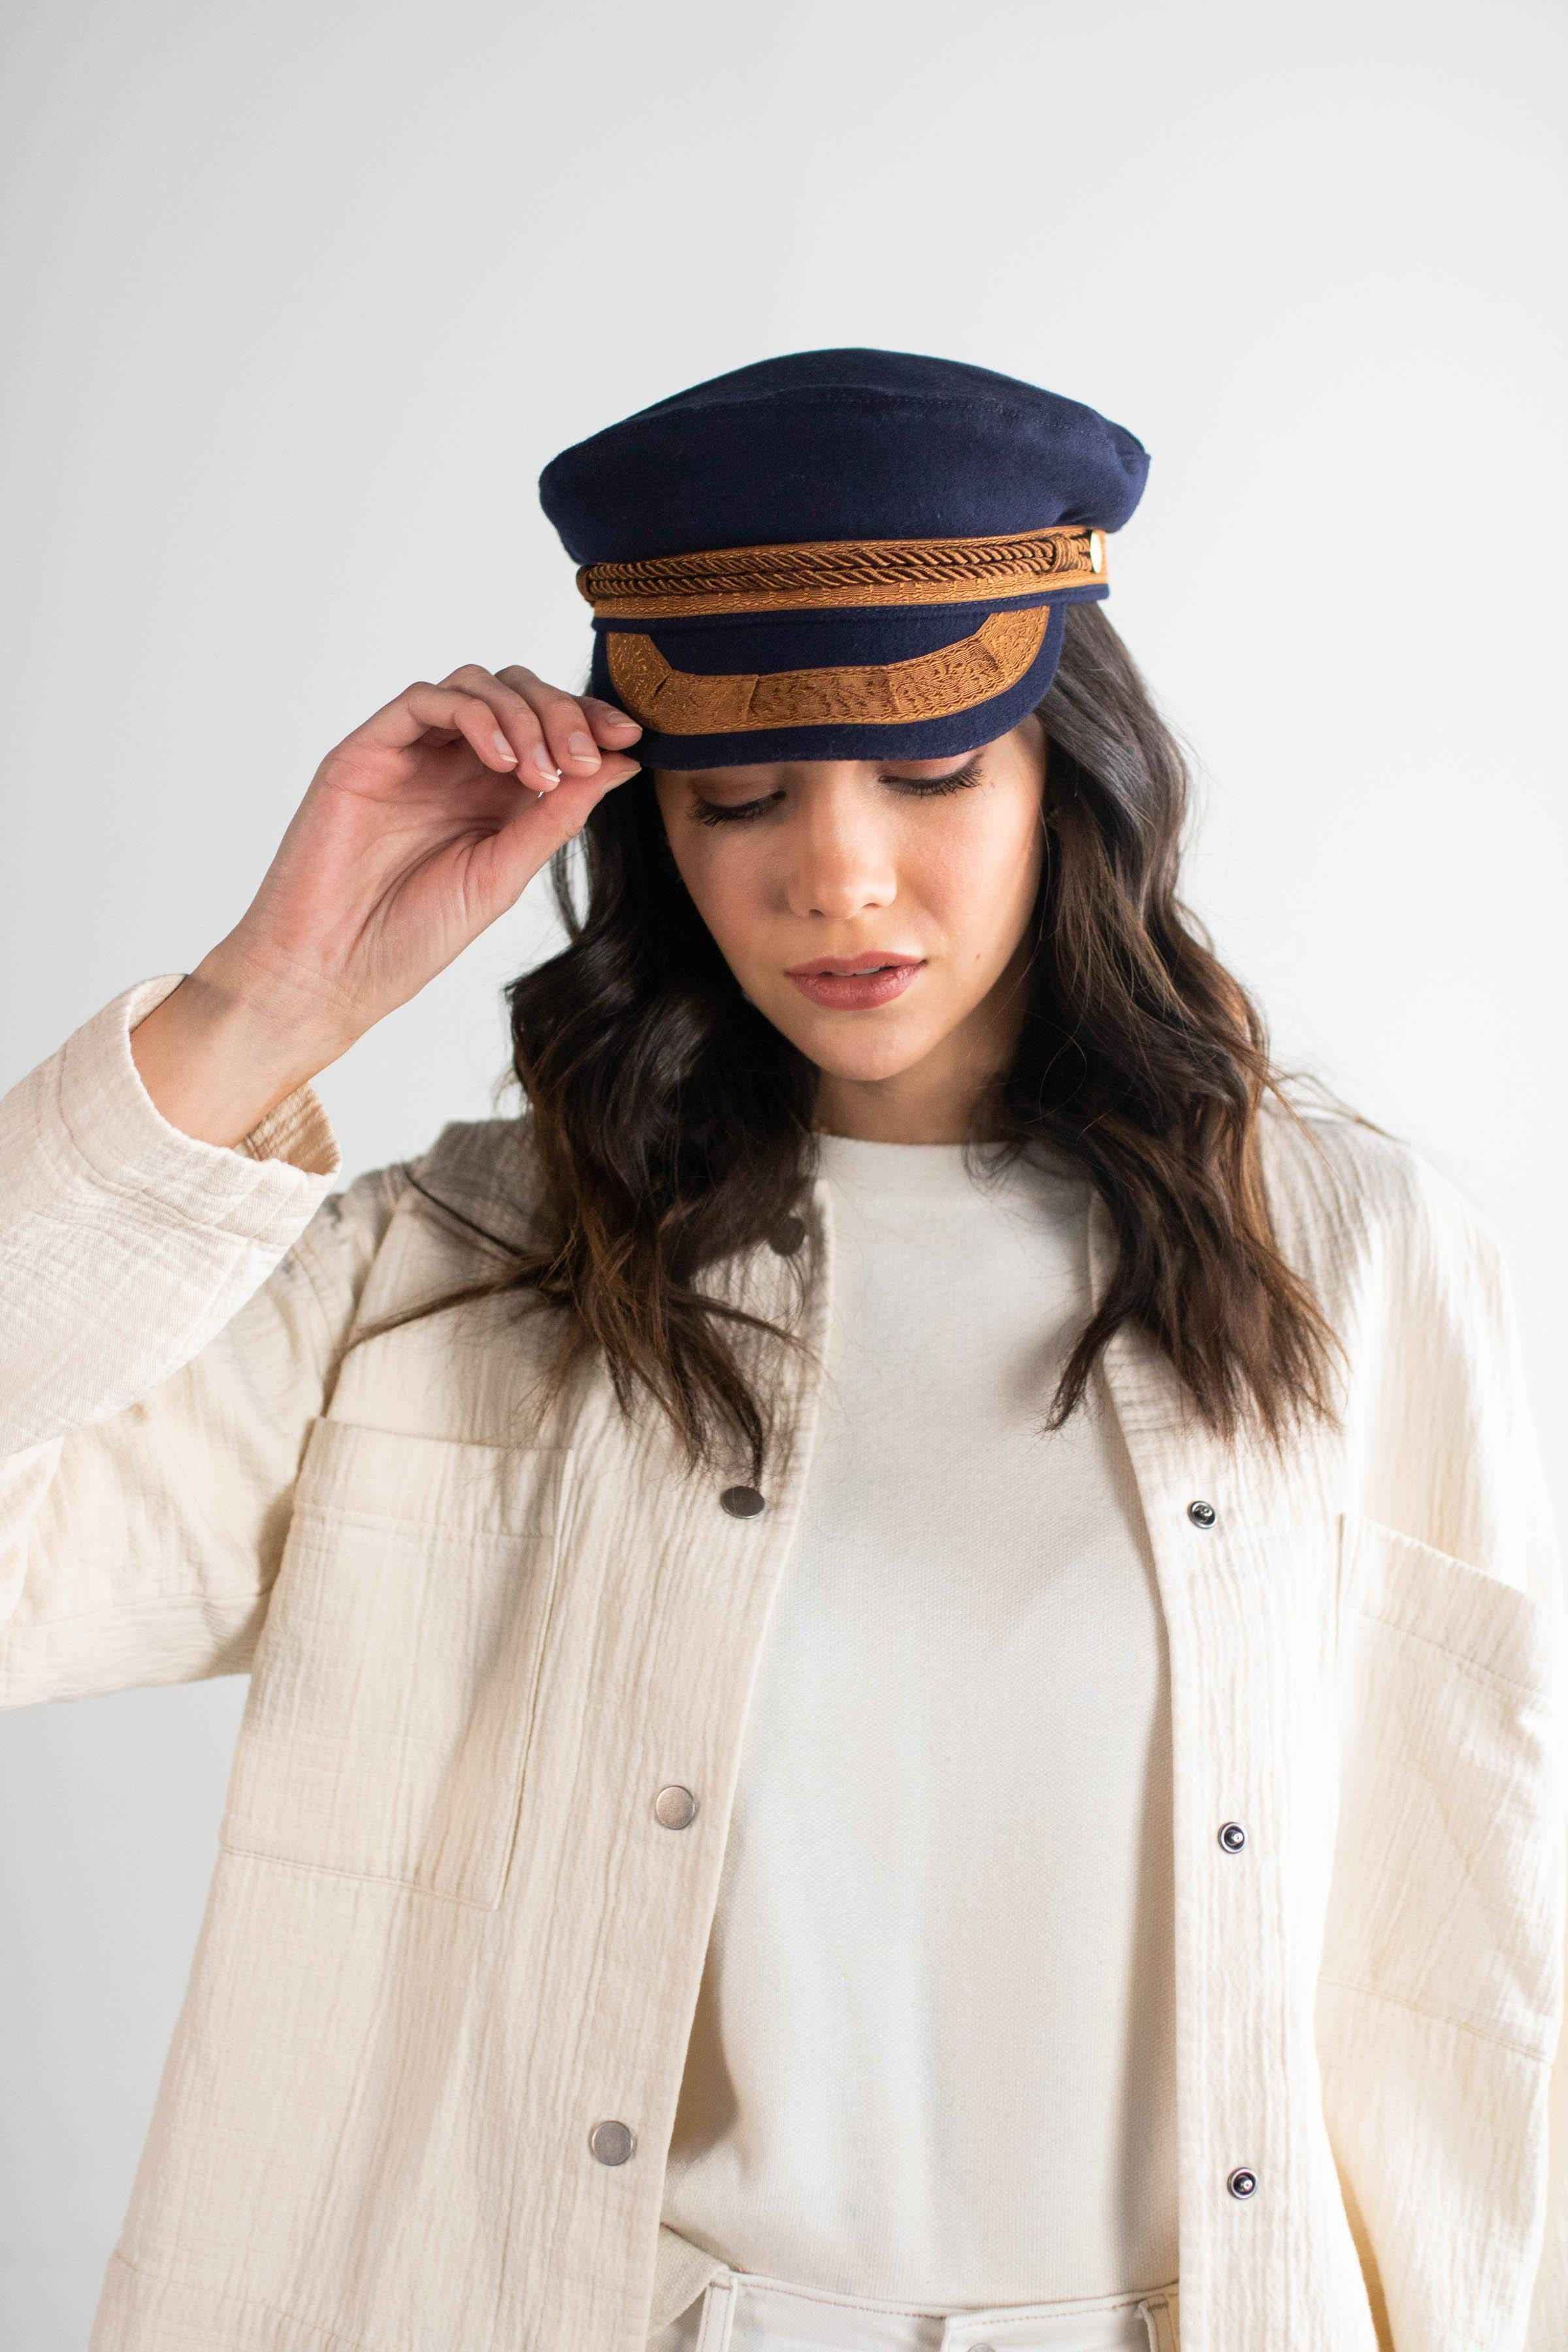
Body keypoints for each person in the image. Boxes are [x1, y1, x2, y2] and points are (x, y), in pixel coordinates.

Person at [2, 349, 1563, 2352]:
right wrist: (270, 1000)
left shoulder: (1347, 1262)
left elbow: (1481, 1966)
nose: (835, 872)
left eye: (928, 775)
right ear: (655, 819)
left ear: (1064, 775)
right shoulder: (472, 1270)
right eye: (741, 793)